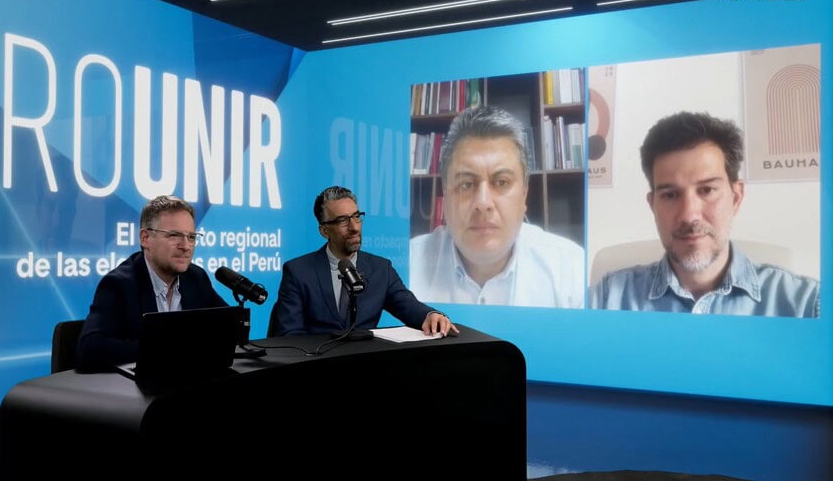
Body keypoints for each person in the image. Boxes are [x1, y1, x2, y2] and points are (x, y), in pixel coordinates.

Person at [588, 111, 819, 317]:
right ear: (652, 205)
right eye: (670, 195)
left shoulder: (807, 305)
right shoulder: (606, 300)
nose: (689, 215)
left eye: (707, 190)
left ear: (736, 197)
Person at [409, 106, 584, 307]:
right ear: (446, 195)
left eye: (502, 182)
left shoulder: (571, 271)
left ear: (524, 194)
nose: (483, 203)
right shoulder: (407, 265)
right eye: (466, 184)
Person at [272, 186, 457, 337]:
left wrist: (431, 315)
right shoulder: (298, 272)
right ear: (324, 231)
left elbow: (408, 306)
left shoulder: (381, 269)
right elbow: (289, 336)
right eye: (342, 220)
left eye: (356, 217)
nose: (354, 227)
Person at [76, 195, 228, 371]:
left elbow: (228, 327)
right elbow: (89, 350)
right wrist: (169, 348)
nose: (186, 246)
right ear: (145, 238)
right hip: (140, 386)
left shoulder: (196, 278)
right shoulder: (119, 285)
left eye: (192, 237)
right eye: (174, 235)